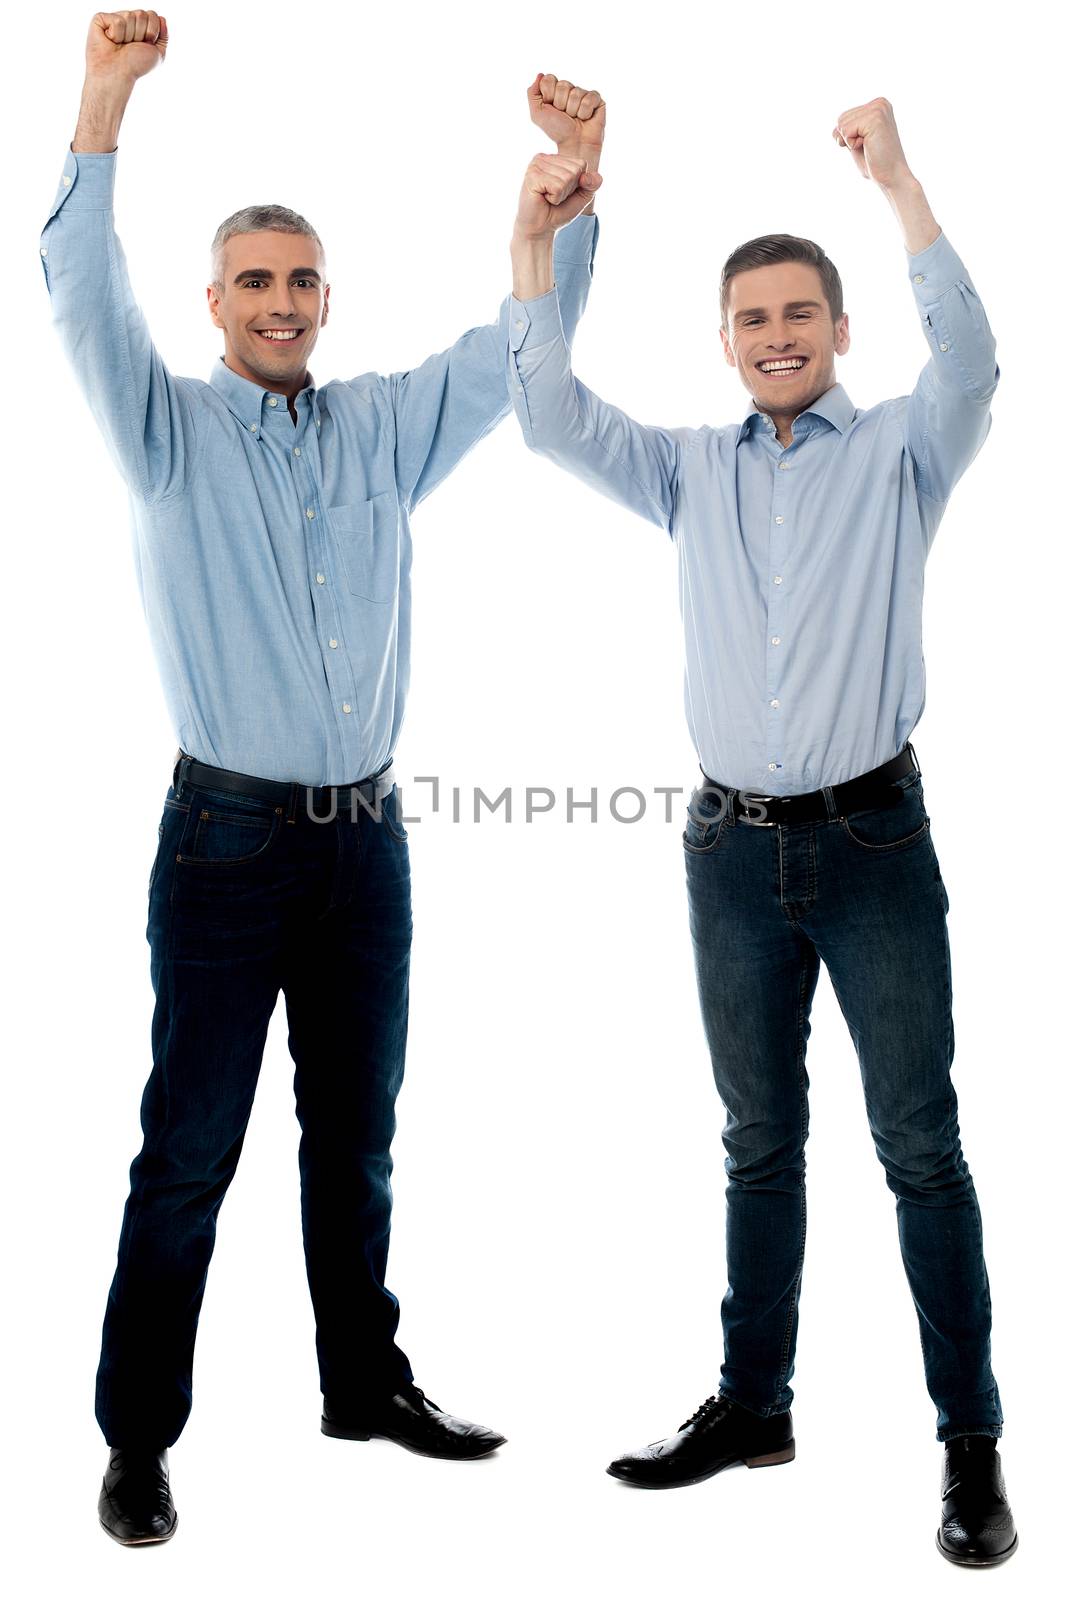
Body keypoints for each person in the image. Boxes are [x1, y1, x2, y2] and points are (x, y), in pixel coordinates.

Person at [41, 12, 603, 1547]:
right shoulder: (165, 432)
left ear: (324, 297)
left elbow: (513, 357)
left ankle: (363, 1384)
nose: (281, 304)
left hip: (367, 842)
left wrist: (556, 211)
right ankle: (138, 1440)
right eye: (255, 283)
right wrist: (103, 104)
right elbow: (79, 294)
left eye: (300, 280)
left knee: (355, 1137)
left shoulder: (379, 430)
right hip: (222, 845)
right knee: (189, 1153)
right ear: (212, 303)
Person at [506, 97, 1016, 1566]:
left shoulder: (904, 456)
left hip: (871, 850)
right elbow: (545, 414)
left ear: (838, 332)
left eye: (799, 314)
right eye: (750, 319)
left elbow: (973, 359)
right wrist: (541, 232)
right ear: (724, 342)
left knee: (918, 1145)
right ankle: (752, 1404)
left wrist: (899, 183)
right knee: (756, 1143)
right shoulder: (689, 470)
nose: (775, 335)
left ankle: (968, 1442)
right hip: (728, 853)